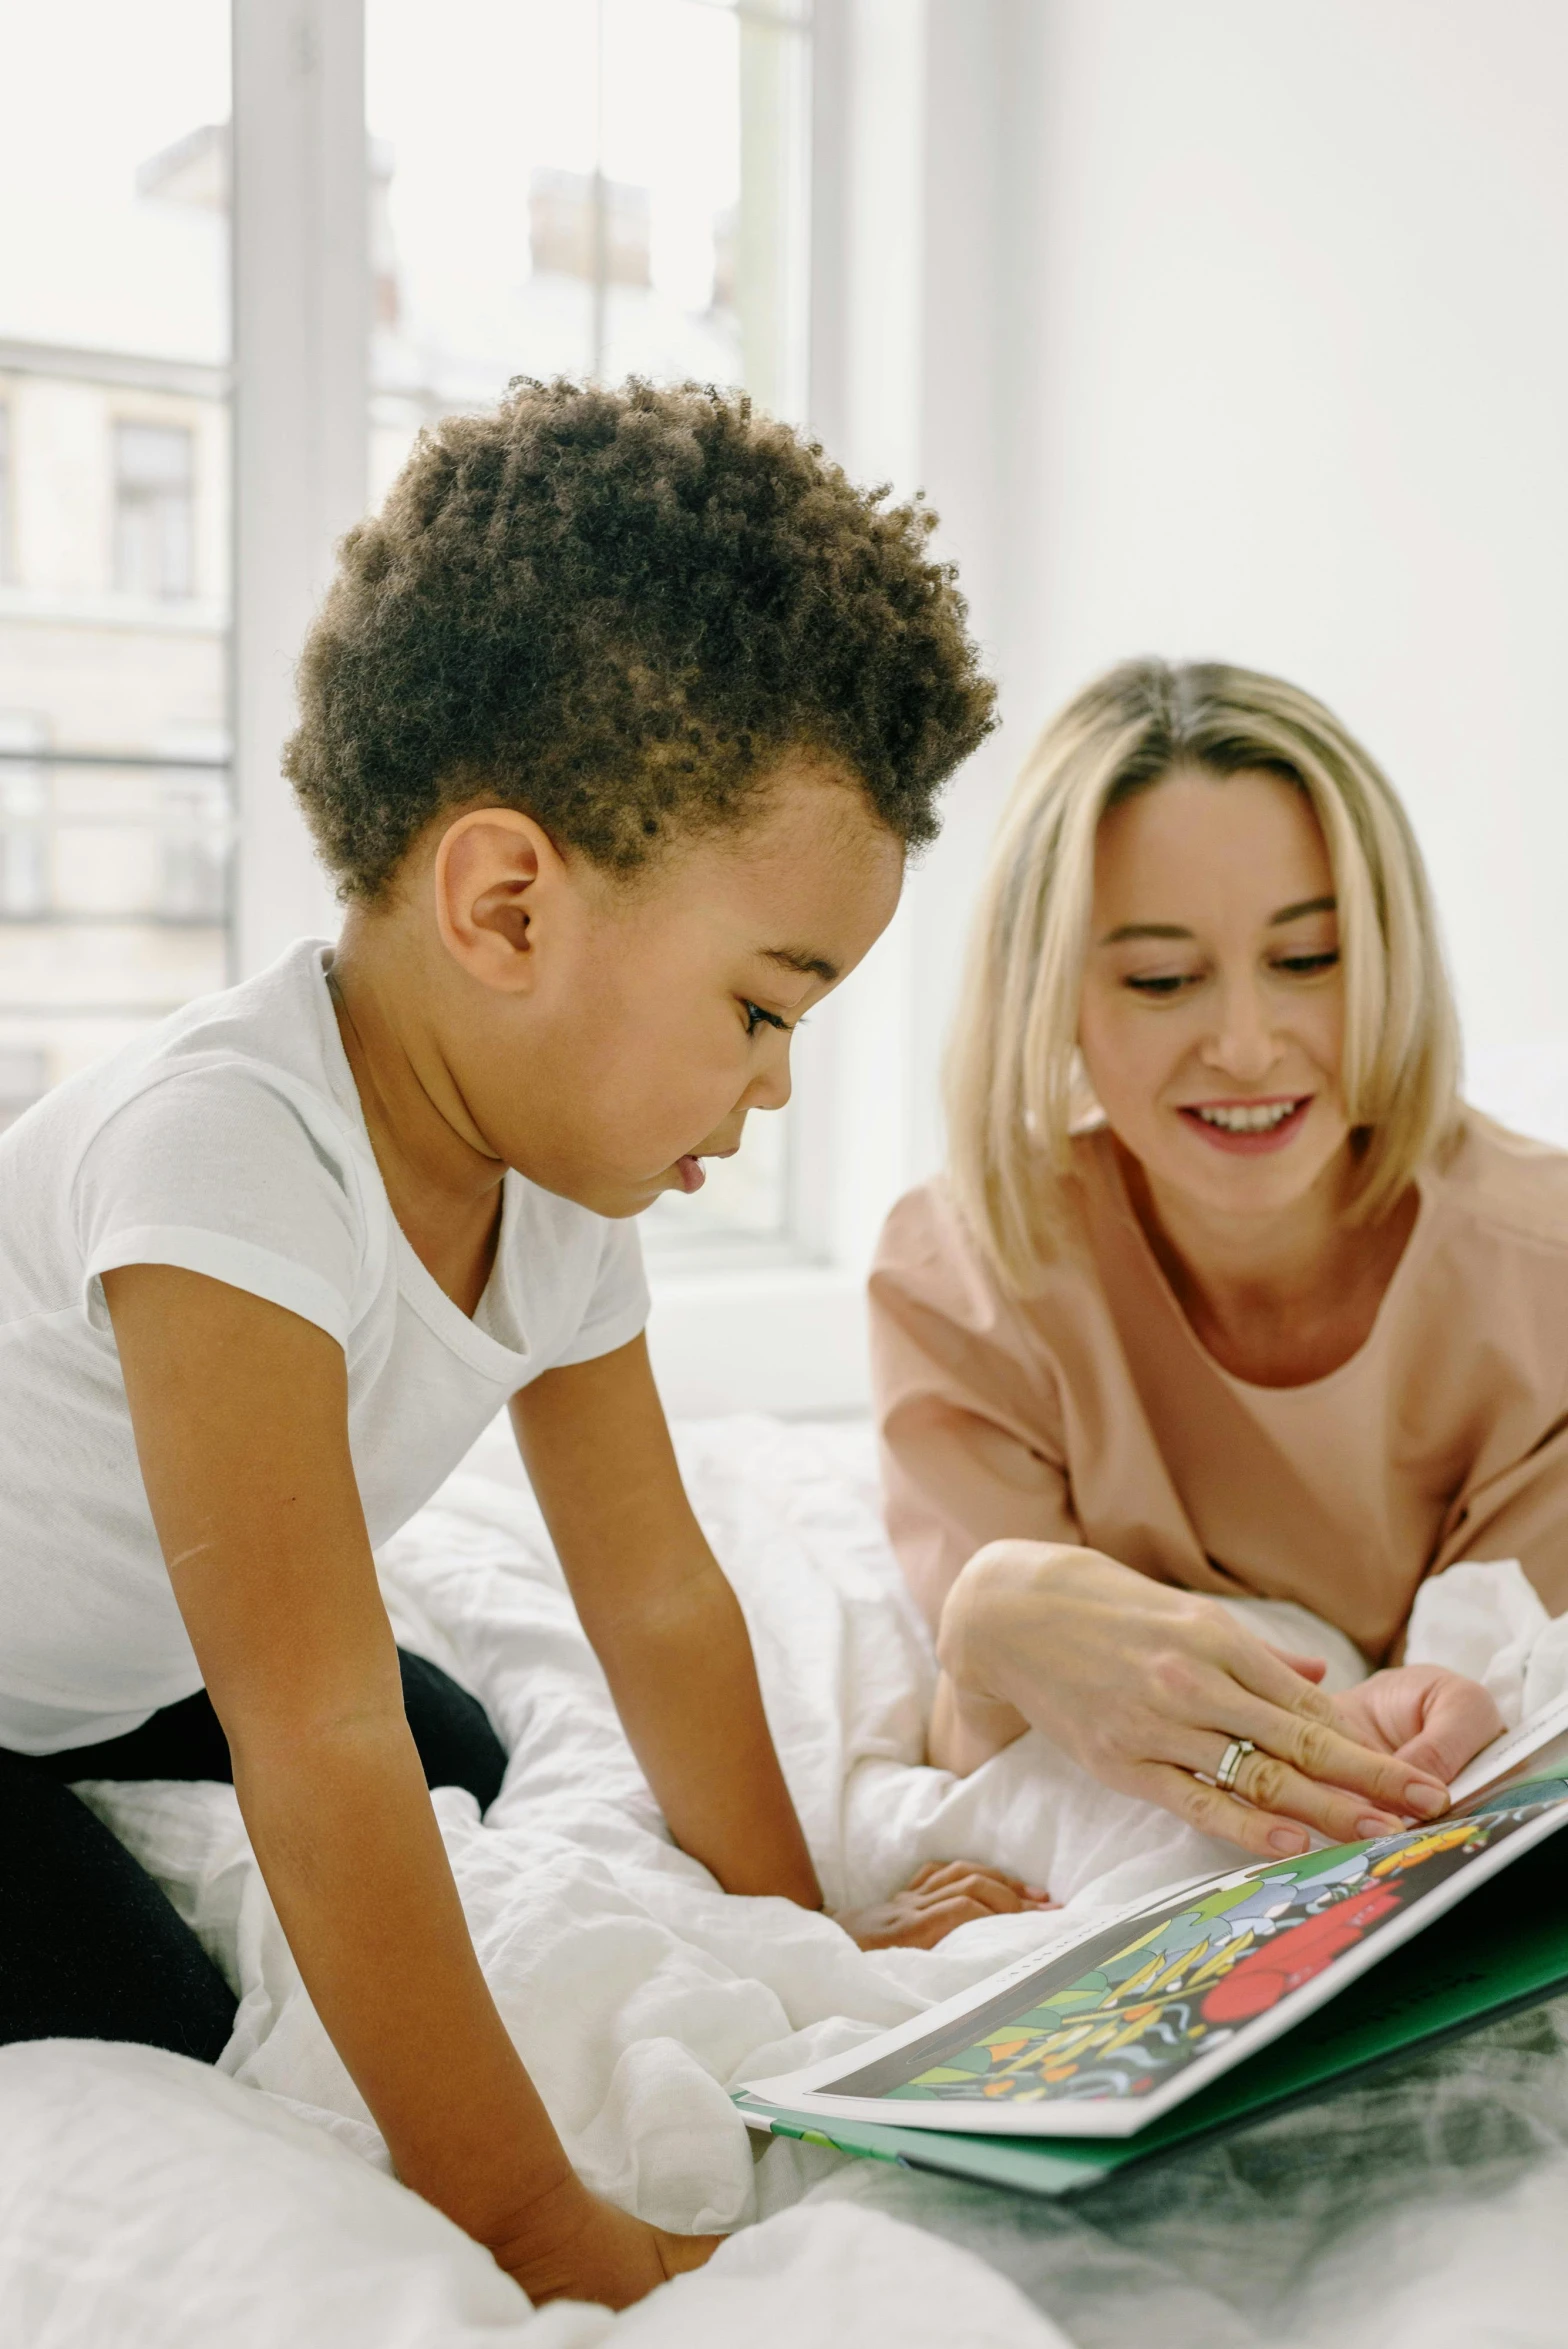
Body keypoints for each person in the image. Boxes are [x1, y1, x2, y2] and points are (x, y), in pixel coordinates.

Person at [0, 379, 1042, 2313]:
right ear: (504, 903)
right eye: (757, 1004)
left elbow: (652, 1590)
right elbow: (312, 1746)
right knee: (149, 2009)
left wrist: (815, 1929)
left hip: (95, 1642)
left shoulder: (556, 1181)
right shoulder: (222, 1159)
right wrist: (541, 2225)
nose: (776, 1081)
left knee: (456, 1744)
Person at [869, 657, 1553, 1861]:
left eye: (1306, 961)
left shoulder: (1540, 1276)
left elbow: (1491, 1721)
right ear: (1053, 995)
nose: (1244, 1044)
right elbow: (991, 1743)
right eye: (1160, 980)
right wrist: (988, 1622)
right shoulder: (960, 1276)